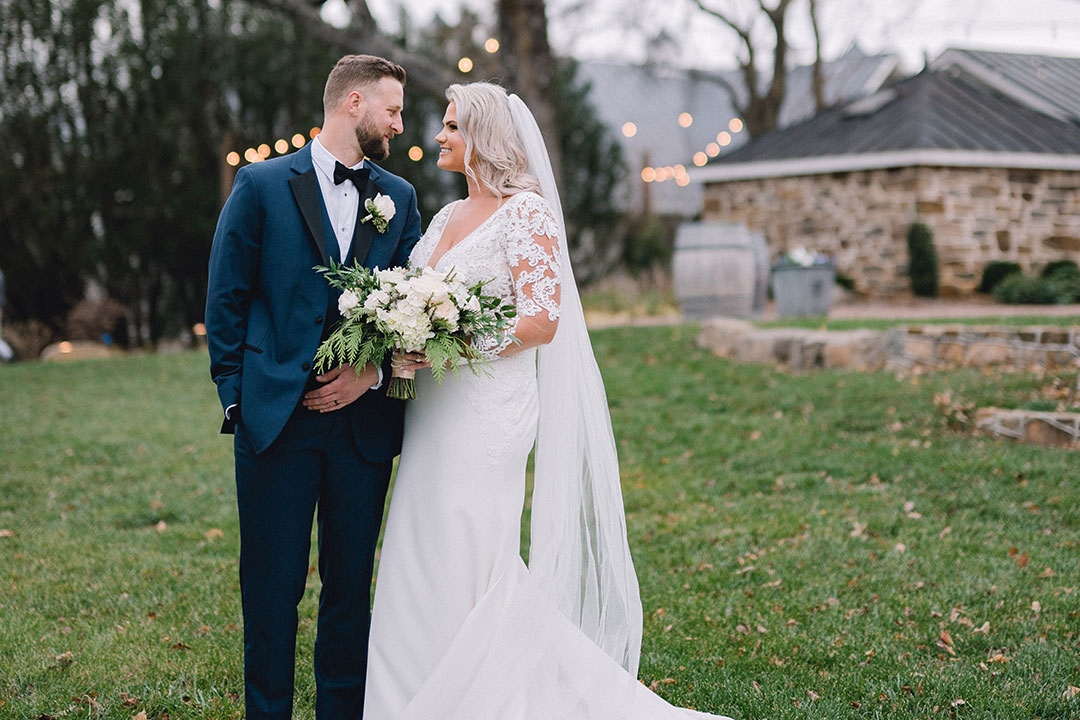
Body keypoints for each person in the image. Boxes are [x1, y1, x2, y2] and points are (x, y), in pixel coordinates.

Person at [363, 82, 731, 719]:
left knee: (472, 544)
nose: (440, 136)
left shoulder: (526, 214)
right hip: (433, 411)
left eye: (451, 126)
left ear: (480, 136)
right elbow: (414, 298)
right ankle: (410, 693)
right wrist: (401, 330)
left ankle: (479, 693)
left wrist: (454, 339)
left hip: (487, 414)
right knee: (421, 542)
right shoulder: (447, 218)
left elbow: (541, 321)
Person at [205, 55, 421, 720]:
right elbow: (226, 299)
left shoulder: (401, 199)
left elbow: (416, 309)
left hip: (362, 433)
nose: (399, 122)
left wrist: (374, 373)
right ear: (353, 104)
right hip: (277, 424)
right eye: (392, 109)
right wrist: (240, 400)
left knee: (349, 591)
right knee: (271, 592)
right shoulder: (262, 185)